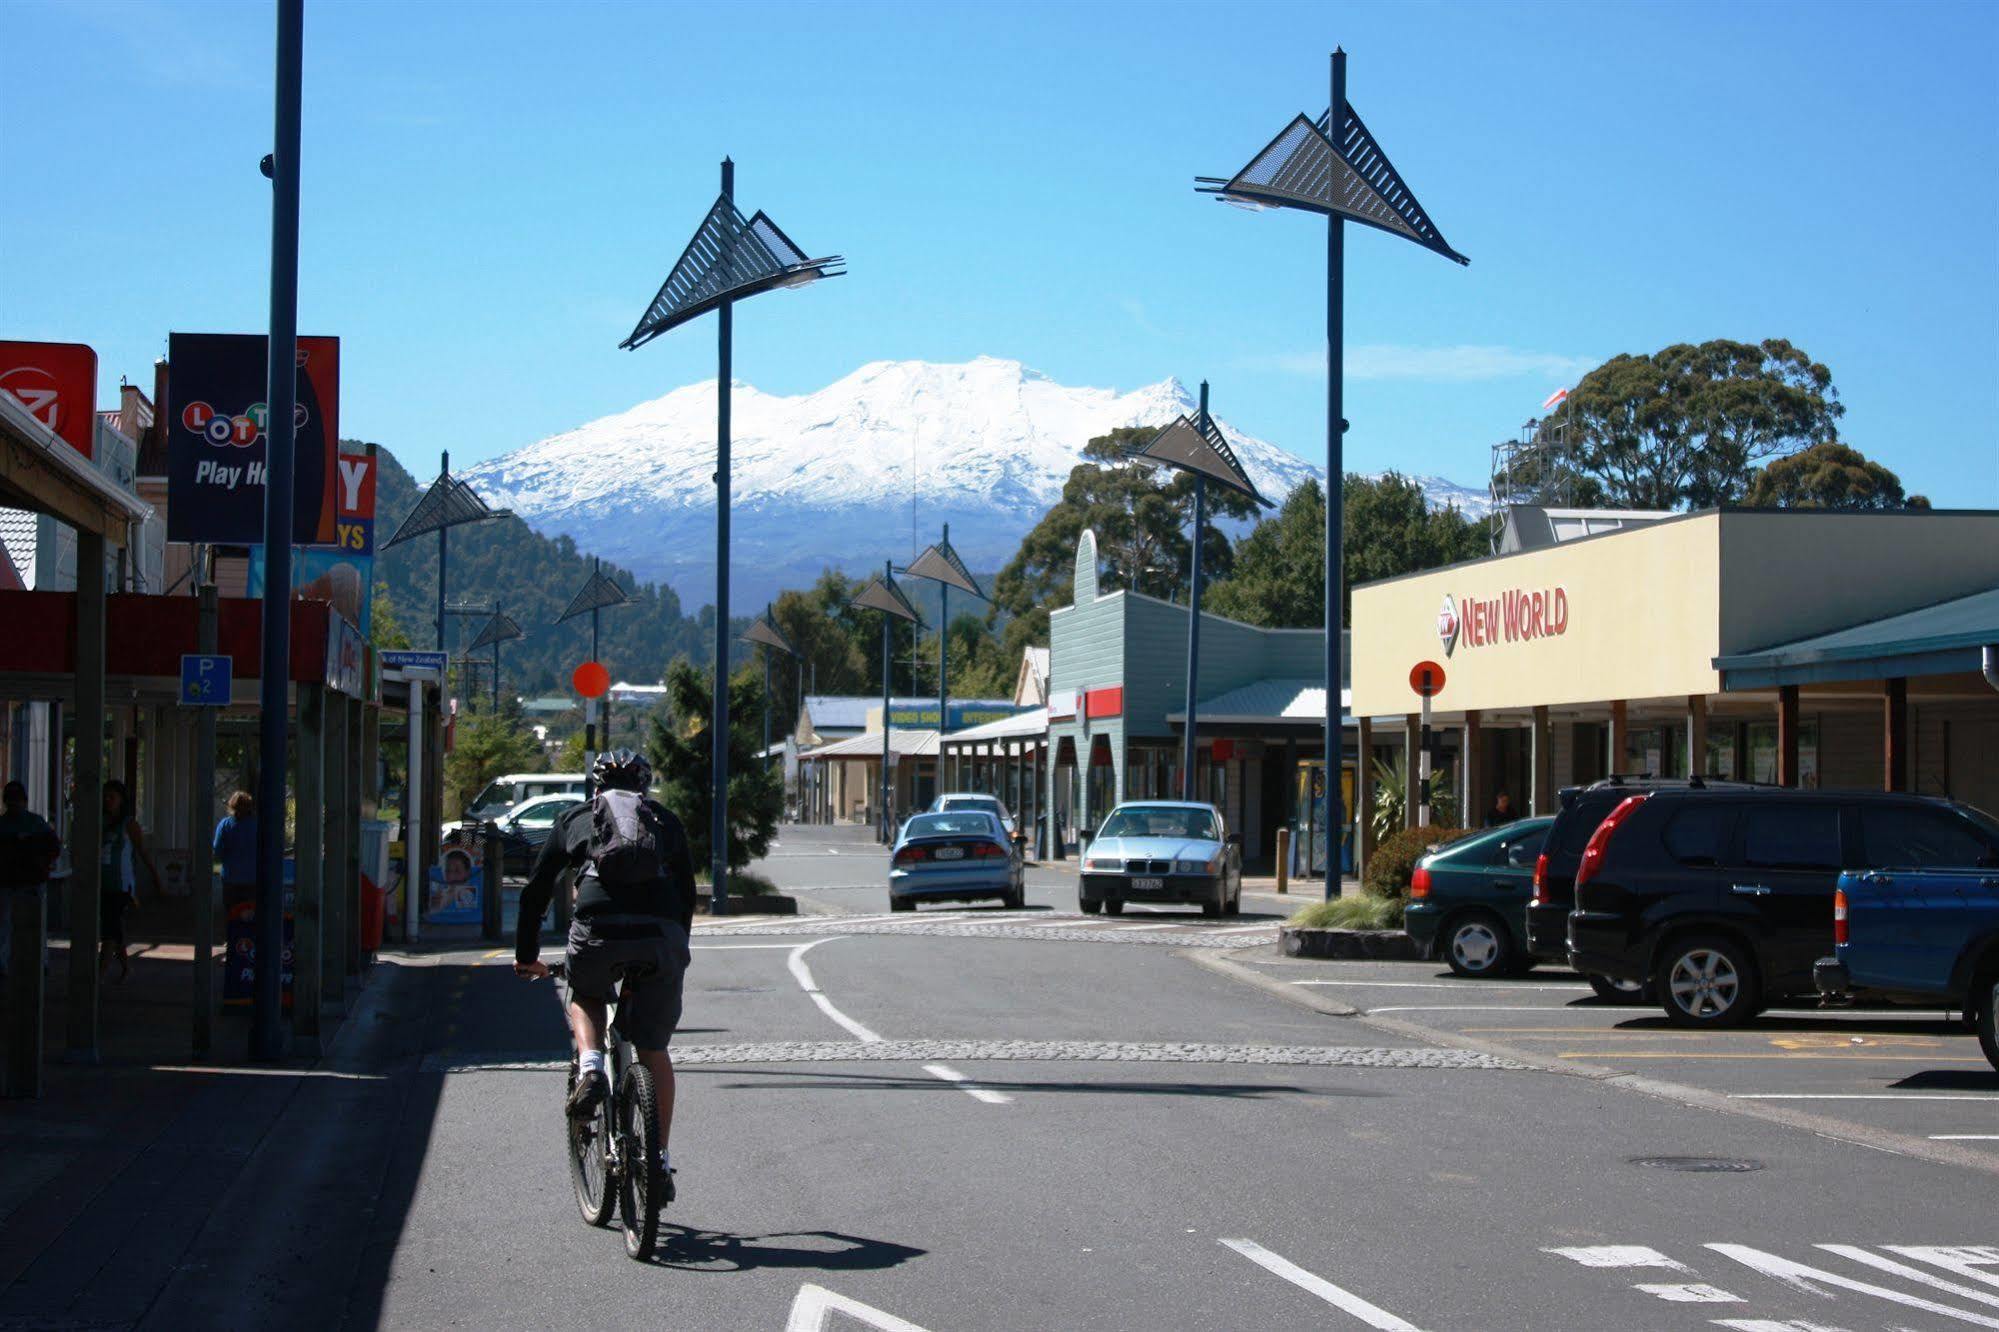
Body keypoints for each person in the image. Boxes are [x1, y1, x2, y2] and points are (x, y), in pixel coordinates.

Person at [514, 748, 694, 1202]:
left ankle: (591, 1065)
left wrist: (526, 955)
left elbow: (535, 892)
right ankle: (658, 1160)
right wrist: (676, 949)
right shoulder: (666, 821)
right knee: (654, 1050)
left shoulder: (575, 818)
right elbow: (687, 894)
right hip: (661, 936)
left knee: (586, 992)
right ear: (645, 786)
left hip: (597, 929)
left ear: (594, 787)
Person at [99, 780, 161, 983]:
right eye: (105, 796)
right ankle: (126, 967)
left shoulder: (129, 824)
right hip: (100, 882)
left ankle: (98, 974)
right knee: (114, 928)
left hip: (120, 884)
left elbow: (143, 852)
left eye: (112, 797)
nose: (108, 801)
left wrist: (156, 878)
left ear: (121, 800)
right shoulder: (100, 822)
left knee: (109, 930)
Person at [0, 780, 62, 979]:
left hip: (28, 881)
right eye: (11, 801)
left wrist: (40, 863)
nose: (14, 804)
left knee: (27, 924)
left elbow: (54, 848)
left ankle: (36, 962)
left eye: (16, 800)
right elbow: (54, 848)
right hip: (13, 881)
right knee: (8, 924)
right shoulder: (31, 823)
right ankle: (18, 963)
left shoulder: (34, 823)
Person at [213, 791, 258, 919]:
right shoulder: (257, 825)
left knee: (232, 914)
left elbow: (217, 850)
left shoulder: (225, 825)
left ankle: (232, 938)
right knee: (250, 915)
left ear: (232, 806)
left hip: (231, 878)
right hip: (252, 879)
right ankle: (248, 938)